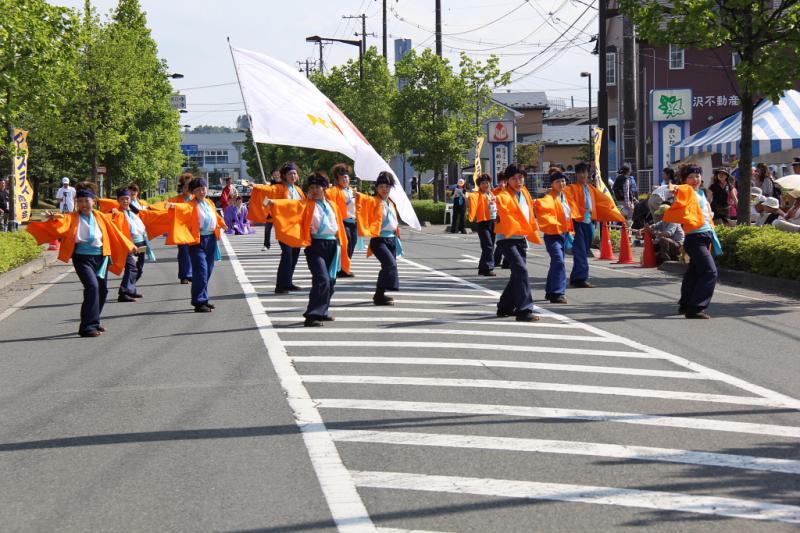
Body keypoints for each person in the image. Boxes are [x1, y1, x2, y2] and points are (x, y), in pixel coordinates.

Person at [26, 182, 135, 337]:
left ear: (94, 201)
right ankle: (87, 327)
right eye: (80, 201)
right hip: (82, 258)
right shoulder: (71, 217)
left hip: (101, 257)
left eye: (86, 201)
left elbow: (116, 231)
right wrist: (53, 220)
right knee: (92, 287)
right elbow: (61, 222)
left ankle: (94, 321)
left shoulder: (101, 217)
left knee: (102, 290)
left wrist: (130, 245)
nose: (83, 204)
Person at [265, 173, 349, 327]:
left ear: (324, 188)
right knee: (321, 279)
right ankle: (312, 315)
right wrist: (272, 202)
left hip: (332, 246)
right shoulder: (306, 204)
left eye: (318, 187)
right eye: (311, 187)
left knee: (330, 282)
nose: (315, 190)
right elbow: (289, 205)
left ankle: (322, 312)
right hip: (315, 246)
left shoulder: (332, 205)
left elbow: (340, 225)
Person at [663, 165, 720, 319]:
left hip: (705, 236)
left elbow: (705, 214)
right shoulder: (686, 191)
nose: (695, 179)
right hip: (695, 238)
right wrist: (674, 188)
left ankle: (686, 304)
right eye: (690, 177)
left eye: (697, 176)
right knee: (710, 272)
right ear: (684, 180)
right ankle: (696, 308)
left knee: (694, 272)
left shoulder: (701, 193)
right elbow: (677, 189)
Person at [167, 178, 227, 312]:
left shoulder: (209, 202)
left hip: (211, 239)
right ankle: (199, 301)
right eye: (198, 189)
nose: (202, 191)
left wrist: (222, 224)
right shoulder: (191, 204)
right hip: (197, 240)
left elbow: (215, 216)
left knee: (208, 270)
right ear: (193, 192)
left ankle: (203, 298)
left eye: (204, 188)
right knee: (201, 270)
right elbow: (182, 207)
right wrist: (172, 206)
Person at [563, 162, 626, 288]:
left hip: (588, 222)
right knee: (580, 250)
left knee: (585, 250)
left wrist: (617, 214)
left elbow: (605, 201)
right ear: (576, 174)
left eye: (584, 172)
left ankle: (576, 277)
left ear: (588, 174)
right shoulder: (571, 188)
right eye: (579, 172)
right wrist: (577, 213)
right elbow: (567, 201)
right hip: (577, 222)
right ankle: (581, 278)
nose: (582, 175)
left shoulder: (591, 189)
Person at [493, 163, 543, 322]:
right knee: (521, 271)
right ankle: (524, 310)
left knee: (517, 274)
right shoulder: (503, 195)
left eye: (520, 177)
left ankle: (505, 306)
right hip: (506, 239)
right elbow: (496, 201)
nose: (517, 181)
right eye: (513, 178)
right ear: (507, 180)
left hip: (520, 238)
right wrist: (492, 201)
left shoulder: (525, 193)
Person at [248, 162, 306, 293]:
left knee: (295, 254)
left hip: (297, 226)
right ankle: (280, 285)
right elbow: (265, 195)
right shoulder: (278, 188)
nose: (293, 176)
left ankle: (288, 282)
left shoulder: (299, 190)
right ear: (284, 176)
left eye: (295, 173)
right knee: (287, 254)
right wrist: (270, 207)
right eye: (290, 173)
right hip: (284, 226)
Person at [106, 187, 170, 302]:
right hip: (129, 244)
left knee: (139, 268)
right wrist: (113, 213)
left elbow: (150, 216)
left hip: (140, 243)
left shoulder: (133, 211)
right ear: (118, 201)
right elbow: (107, 219)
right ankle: (124, 292)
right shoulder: (116, 212)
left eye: (127, 199)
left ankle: (131, 289)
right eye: (122, 199)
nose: (125, 201)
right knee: (132, 267)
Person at [355, 171, 401, 306]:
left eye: (387, 186)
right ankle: (380, 294)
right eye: (381, 186)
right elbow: (363, 199)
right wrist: (356, 194)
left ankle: (379, 295)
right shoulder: (373, 201)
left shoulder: (391, 203)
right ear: (377, 188)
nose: (384, 189)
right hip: (379, 240)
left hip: (391, 239)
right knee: (390, 265)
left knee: (387, 266)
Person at [535, 172, 573, 304]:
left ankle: (551, 291)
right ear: (552, 184)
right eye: (558, 182)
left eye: (563, 181)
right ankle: (558, 293)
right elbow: (541, 206)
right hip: (552, 234)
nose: (562, 184)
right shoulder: (549, 198)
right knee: (558, 261)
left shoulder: (565, 197)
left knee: (557, 262)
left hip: (564, 234)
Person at [325, 163, 357, 277]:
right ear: (337, 179)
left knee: (352, 244)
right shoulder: (333, 190)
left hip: (353, 221)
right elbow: (328, 200)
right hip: (343, 222)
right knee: (345, 244)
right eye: (342, 177)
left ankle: (345, 267)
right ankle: (341, 269)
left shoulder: (352, 190)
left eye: (347, 177)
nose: (345, 179)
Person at [466, 173, 497, 276]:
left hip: (492, 221)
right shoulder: (477, 195)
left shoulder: (491, 194)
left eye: (487, 183)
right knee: (488, 245)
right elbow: (471, 197)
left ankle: (482, 268)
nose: (485, 185)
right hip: (482, 222)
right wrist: (467, 194)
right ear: (479, 185)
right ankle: (488, 267)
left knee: (490, 245)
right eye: (483, 183)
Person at [168, 173, 195, 284]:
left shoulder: (195, 198)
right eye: (185, 186)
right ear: (182, 187)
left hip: (194, 229)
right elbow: (164, 206)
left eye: (189, 186)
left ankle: (191, 273)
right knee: (183, 252)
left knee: (194, 252)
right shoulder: (177, 199)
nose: (187, 188)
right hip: (181, 229)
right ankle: (184, 275)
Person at [492, 173, 510, 269]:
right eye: (500, 181)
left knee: (510, 241)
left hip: (510, 220)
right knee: (501, 242)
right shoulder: (495, 191)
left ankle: (506, 261)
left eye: (504, 181)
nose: (502, 184)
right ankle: (496, 260)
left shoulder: (511, 191)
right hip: (499, 219)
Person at [262, 169, 280, 251]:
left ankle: (284, 246)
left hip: (280, 211)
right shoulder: (271, 184)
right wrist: (264, 204)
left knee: (281, 230)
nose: (276, 175)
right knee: (267, 228)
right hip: (271, 211)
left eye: (278, 174)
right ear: (272, 175)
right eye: (275, 174)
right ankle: (266, 245)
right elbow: (267, 194)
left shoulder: (284, 183)